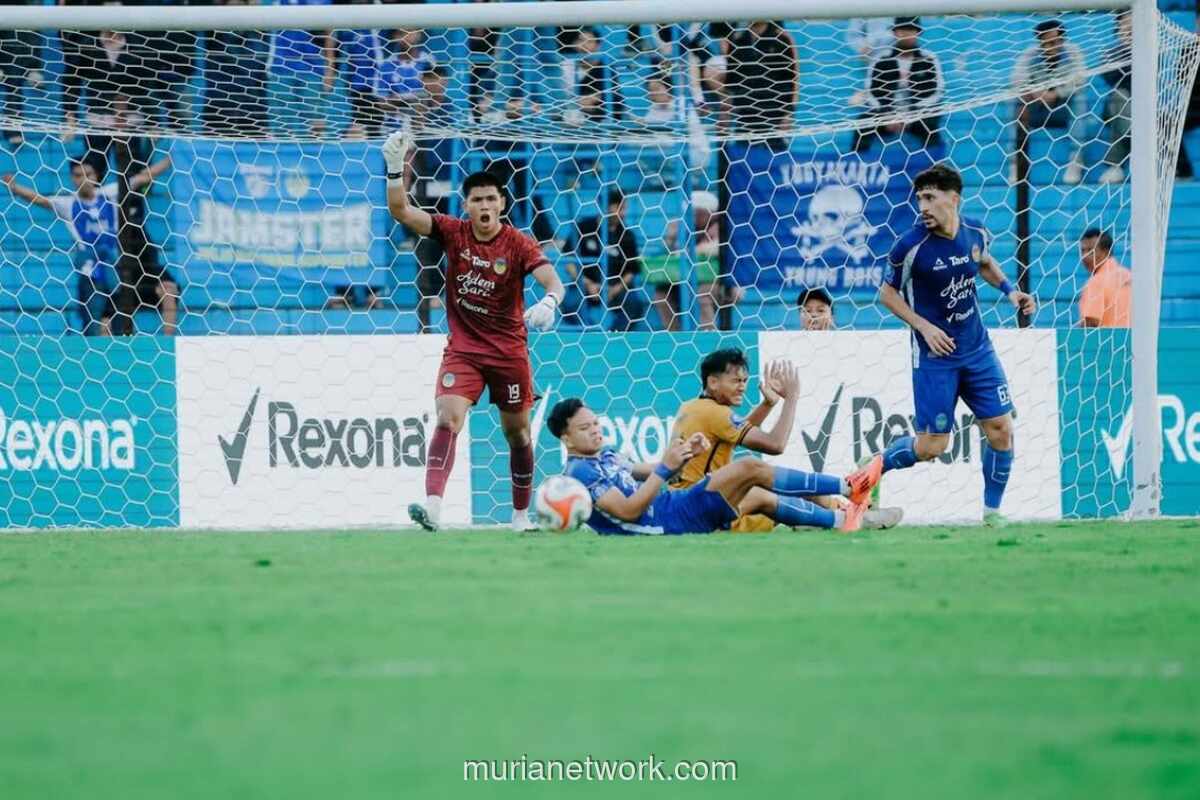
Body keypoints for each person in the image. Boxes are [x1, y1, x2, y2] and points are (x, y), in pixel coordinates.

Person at [383, 132, 566, 532]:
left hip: (508, 352)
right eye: (477, 199)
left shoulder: (518, 244)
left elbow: (554, 281)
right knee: (447, 417)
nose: (484, 205)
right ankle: (433, 507)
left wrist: (549, 303)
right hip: (464, 350)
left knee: (517, 434)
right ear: (465, 205)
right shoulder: (452, 231)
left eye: (491, 198)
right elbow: (400, 211)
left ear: (502, 203)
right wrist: (396, 171)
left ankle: (519, 516)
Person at [877, 164, 1037, 526]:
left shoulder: (975, 230)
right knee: (933, 447)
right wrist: (923, 327)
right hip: (935, 357)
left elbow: (982, 260)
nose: (923, 207)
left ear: (954, 199)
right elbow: (886, 294)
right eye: (919, 199)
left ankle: (992, 514)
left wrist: (1011, 291)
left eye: (930, 198)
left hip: (977, 348)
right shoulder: (910, 246)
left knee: (1001, 429)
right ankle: (872, 469)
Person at [550, 397, 884, 535]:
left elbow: (653, 473)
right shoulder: (580, 473)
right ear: (565, 439)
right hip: (667, 523)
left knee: (757, 494)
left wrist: (683, 457)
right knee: (749, 468)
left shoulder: (607, 455)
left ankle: (844, 519)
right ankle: (849, 487)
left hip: (674, 507)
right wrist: (665, 470)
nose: (595, 430)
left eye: (595, 423)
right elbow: (627, 511)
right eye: (585, 428)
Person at [668, 349, 901, 533]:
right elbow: (775, 444)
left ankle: (838, 510)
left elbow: (733, 436)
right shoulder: (716, 413)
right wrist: (792, 398)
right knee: (764, 492)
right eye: (735, 381)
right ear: (713, 382)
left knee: (776, 486)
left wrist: (769, 404)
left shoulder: (692, 407)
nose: (742, 387)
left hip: (689, 500)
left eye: (744, 380)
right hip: (704, 511)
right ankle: (850, 516)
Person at [1, 154, 171, 336]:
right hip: (90, 272)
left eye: (87, 174)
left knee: (120, 318)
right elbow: (41, 200)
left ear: (96, 176)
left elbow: (144, 176)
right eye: (78, 175)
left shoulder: (111, 193)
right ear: (72, 179)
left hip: (116, 267)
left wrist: (172, 158)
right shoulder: (68, 204)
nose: (84, 179)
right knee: (94, 321)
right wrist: (15, 188)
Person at [851, 17, 944, 154]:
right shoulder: (882, 59)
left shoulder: (929, 59)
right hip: (887, 115)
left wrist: (912, 114)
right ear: (894, 33)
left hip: (918, 114)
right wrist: (887, 115)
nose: (906, 35)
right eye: (902, 31)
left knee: (931, 128)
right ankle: (858, 166)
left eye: (911, 30)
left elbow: (937, 92)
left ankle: (934, 169)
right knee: (862, 125)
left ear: (918, 33)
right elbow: (871, 92)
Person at [1011, 19, 1087, 185]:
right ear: (1040, 42)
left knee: (1080, 100)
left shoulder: (1073, 53)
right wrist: (1036, 92)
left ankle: (1076, 159)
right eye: (1048, 43)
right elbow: (1017, 80)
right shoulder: (1030, 55)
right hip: (1038, 108)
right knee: (1018, 103)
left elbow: (1080, 80)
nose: (1053, 46)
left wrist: (1057, 93)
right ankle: (1017, 162)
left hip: (1062, 108)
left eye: (1057, 41)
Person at [565, 190, 646, 332]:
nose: (623, 213)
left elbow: (632, 271)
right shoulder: (584, 227)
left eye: (625, 208)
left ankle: (614, 337)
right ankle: (592, 335)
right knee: (569, 304)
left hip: (615, 287)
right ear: (605, 208)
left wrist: (614, 290)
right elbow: (569, 261)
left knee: (635, 306)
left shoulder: (627, 235)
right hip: (585, 284)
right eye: (619, 208)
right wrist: (587, 284)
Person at [202, 0, 270, 137]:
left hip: (252, 114)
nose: (236, 15)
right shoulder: (214, 35)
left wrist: (263, 121)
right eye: (231, 10)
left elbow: (261, 80)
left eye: (240, 9)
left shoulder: (260, 35)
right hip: (219, 111)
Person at [722, 21, 799, 142]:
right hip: (745, 117)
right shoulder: (737, 39)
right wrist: (725, 113)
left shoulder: (782, 38)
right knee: (744, 157)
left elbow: (794, 79)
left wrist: (789, 114)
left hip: (775, 116)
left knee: (774, 157)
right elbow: (731, 81)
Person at [268, 0, 334, 139]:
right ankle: (283, 157)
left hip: (313, 67)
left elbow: (329, 33)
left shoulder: (322, 2)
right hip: (281, 66)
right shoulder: (275, 3)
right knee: (283, 121)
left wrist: (329, 67)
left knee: (316, 120)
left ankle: (318, 156)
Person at [1098, 10, 1132, 184]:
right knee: (1120, 96)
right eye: (1126, 26)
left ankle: (1115, 165)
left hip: (1148, 109)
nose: (1130, 30)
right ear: (1118, 29)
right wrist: (1128, 51)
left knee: (1126, 112)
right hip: (1117, 106)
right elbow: (1112, 79)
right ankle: (1137, 140)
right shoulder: (1110, 54)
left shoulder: (1154, 51)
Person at [1077, 228, 1131, 328]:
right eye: (1082, 251)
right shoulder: (1129, 276)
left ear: (1106, 251)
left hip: (1111, 342)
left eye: (1091, 251)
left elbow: (1090, 326)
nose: (1084, 256)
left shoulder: (1096, 282)